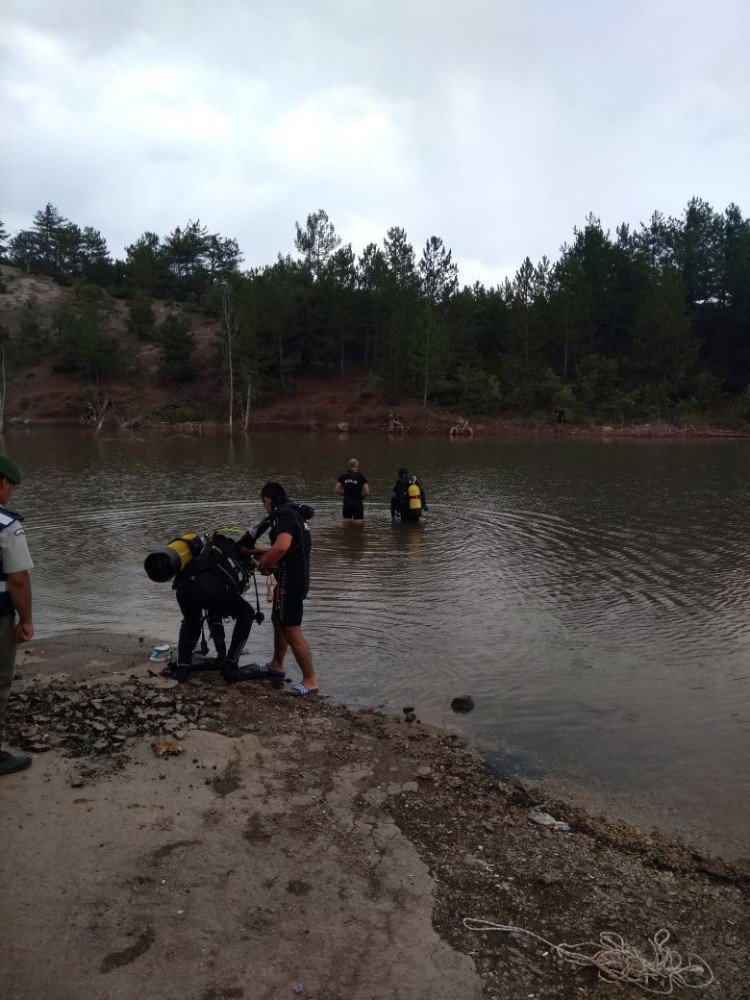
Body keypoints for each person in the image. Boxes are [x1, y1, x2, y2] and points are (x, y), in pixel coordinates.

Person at [244, 483, 319, 697]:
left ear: (267, 499)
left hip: (291, 583)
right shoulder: (294, 513)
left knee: (291, 629)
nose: (264, 507)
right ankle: (276, 665)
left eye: (263, 503)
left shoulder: (282, 515)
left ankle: (310, 680)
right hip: (291, 577)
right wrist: (260, 551)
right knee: (279, 621)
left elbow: (283, 546)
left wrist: (263, 563)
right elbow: (290, 548)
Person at [172, 530, 256, 684]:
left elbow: (213, 609)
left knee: (191, 619)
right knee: (247, 614)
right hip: (213, 590)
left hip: (184, 588)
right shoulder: (232, 555)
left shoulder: (203, 551)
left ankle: (182, 668)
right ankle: (230, 665)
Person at [0, 453, 34, 776]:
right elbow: (18, 580)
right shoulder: (8, 524)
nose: (11, 494)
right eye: (11, 487)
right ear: (1, 482)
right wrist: (26, 621)